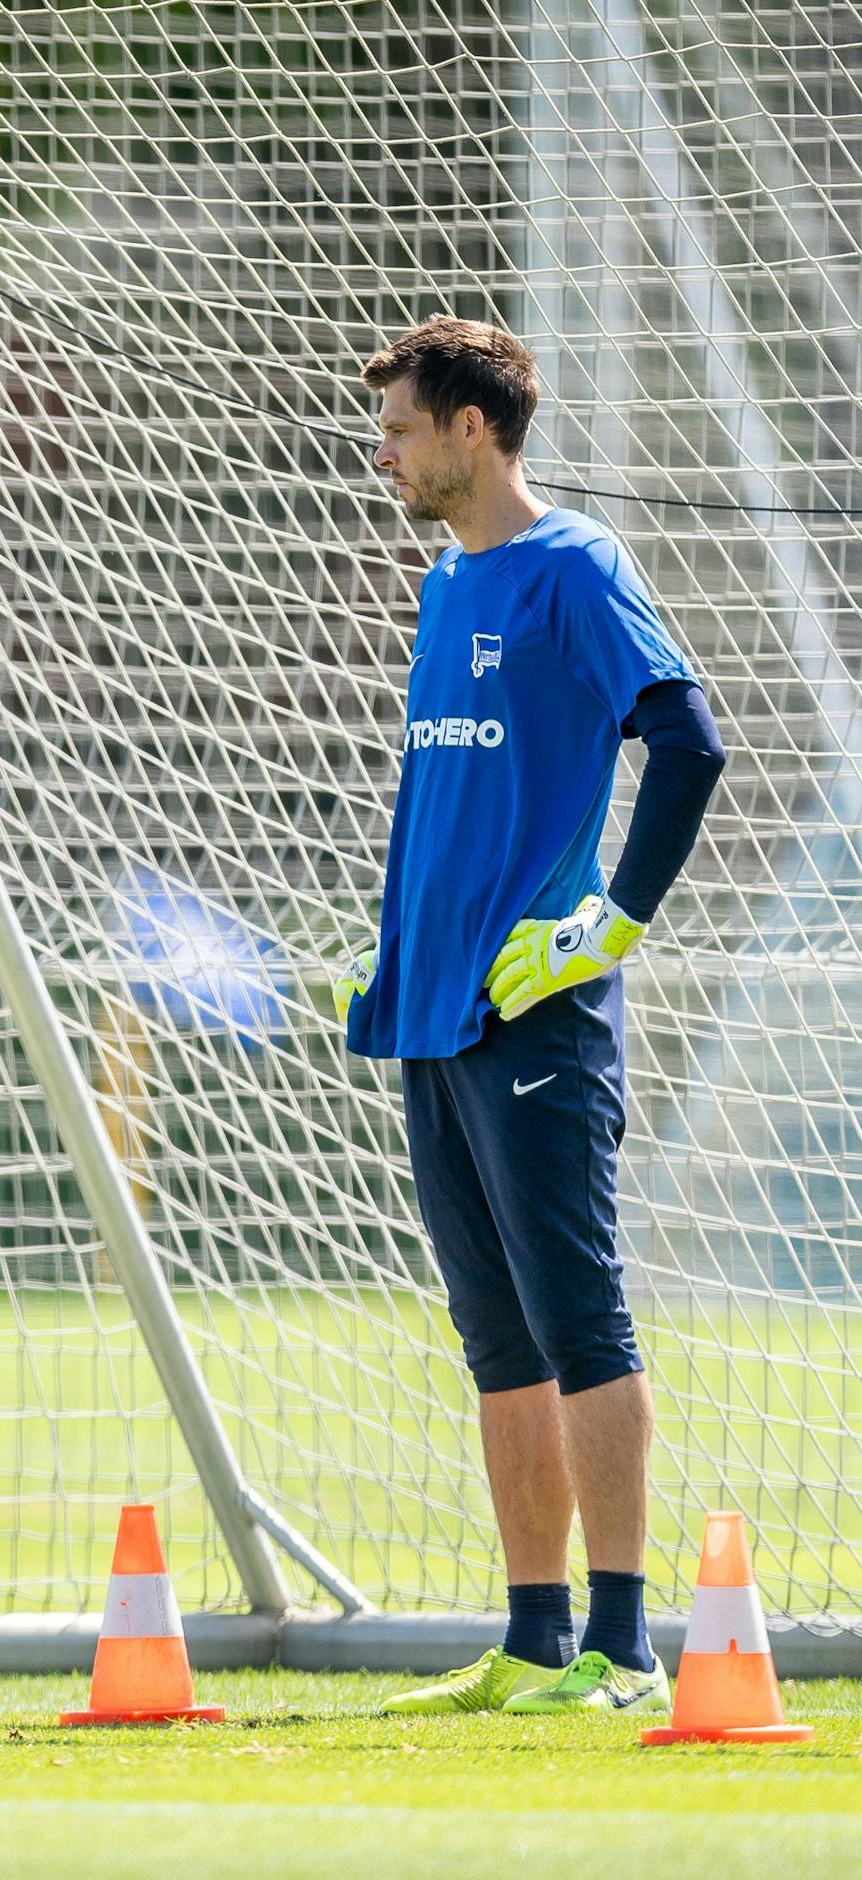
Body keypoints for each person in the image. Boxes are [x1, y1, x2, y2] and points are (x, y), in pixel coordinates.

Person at [334, 315, 725, 1717]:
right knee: (495, 1338)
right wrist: (390, 955)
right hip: (433, 1017)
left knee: (581, 1322)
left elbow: (687, 740)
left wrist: (606, 927)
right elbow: (446, 812)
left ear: (472, 432)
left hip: (537, 1019)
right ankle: (534, 1640)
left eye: (399, 426)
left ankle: (624, 1649)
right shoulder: (446, 585)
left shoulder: (576, 566)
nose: (382, 449)